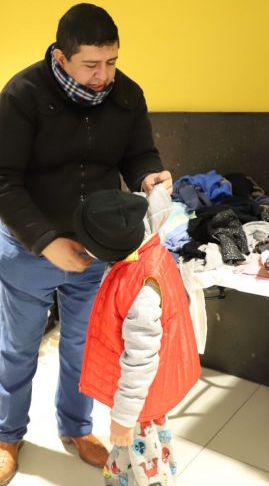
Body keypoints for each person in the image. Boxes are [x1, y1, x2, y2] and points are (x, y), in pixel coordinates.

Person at [0, 2, 173, 486]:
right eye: (90, 64)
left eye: (111, 62)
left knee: (85, 345)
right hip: (31, 245)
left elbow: (139, 153)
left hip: (95, 248)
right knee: (17, 347)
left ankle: (76, 427)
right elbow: (0, 179)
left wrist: (149, 174)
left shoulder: (126, 94)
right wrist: (47, 242)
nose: (102, 76)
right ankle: (8, 436)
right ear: (61, 57)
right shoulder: (23, 94)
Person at [74, 188, 201, 486]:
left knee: (144, 464)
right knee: (139, 452)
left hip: (140, 398)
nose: (82, 247)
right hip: (145, 393)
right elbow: (155, 203)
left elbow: (141, 358)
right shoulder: (142, 239)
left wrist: (124, 416)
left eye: (86, 244)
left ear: (107, 250)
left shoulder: (141, 288)